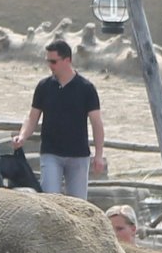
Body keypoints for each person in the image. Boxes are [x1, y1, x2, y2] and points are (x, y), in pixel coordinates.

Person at [12, 39, 106, 199]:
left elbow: (96, 123)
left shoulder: (86, 88)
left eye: (53, 61)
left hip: (78, 155)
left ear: (67, 60)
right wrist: (22, 136)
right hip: (51, 153)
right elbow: (32, 117)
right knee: (49, 201)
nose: (50, 65)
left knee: (78, 206)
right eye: (48, 61)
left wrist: (98, 154)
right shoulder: (44, 86)